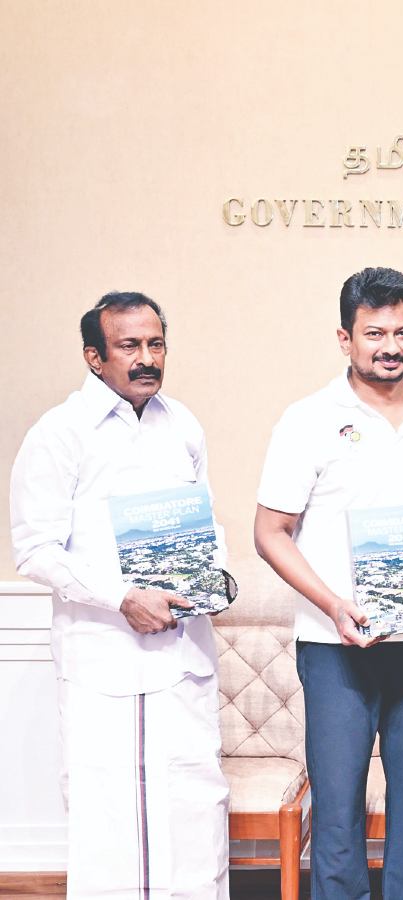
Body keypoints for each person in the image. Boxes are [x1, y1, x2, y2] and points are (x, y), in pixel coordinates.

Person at [253, 267, 403, 900]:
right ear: (344, 338)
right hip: (335, 642)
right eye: (374, 333)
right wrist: (332, 604)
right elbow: (269, 532)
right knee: (339, 797)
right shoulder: (308, 418)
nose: (390, 346)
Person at [10, 292, 231, 897]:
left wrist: (215, 579)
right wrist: (122, 597)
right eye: (129, 345)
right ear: (94, 356)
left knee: (194, 809)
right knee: (107, 817)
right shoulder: (59, 433)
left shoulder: (182, 424)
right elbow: (34, 548)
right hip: (104, 658)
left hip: (183, 656)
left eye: (155, 344)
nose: (146, 358)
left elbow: (206, 524)